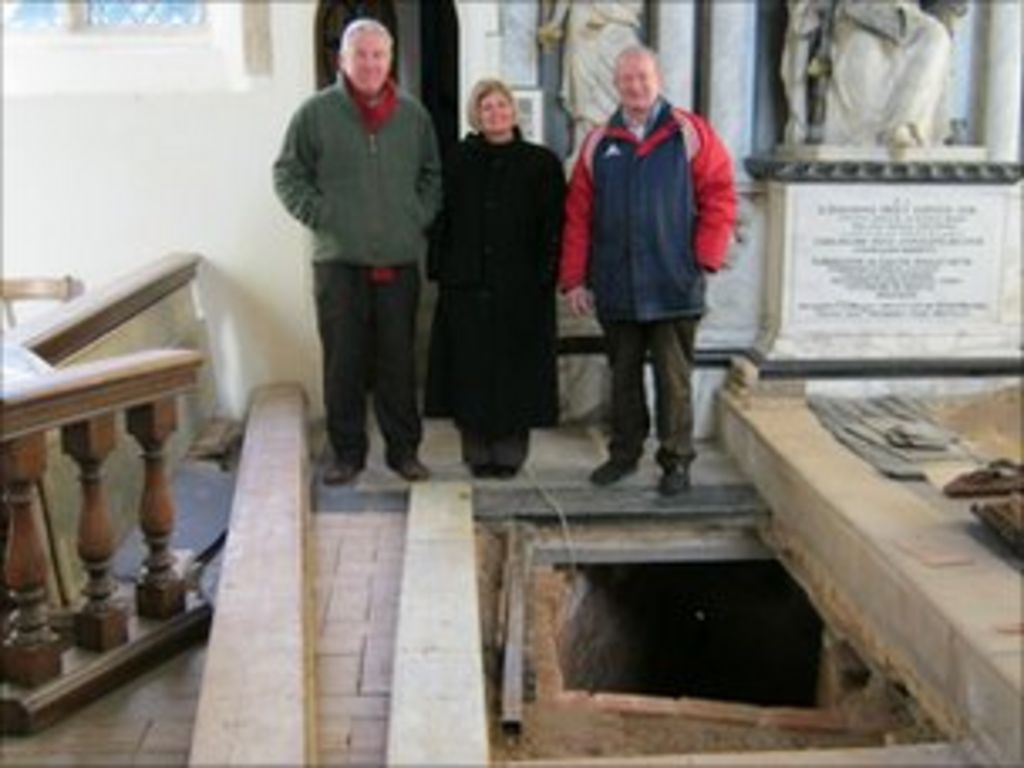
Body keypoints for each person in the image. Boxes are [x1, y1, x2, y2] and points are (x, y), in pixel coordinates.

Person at [559, 46, 736, 496]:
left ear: (658, 79)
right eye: (626, 80)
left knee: (673, 380)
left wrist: (704, 258)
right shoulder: (600, 142)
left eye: (642, 77)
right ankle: (624, 454)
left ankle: (676, 461)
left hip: (672, 282)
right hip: (617, 283)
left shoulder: (689, 133)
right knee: (623, 378)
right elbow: (578, 214)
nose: (634, 86)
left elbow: (720, 193)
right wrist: (575, 277)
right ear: (616, 85)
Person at [273, 19, 442, 484]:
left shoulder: (413, 116)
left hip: (398, 260)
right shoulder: (316, 114)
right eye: (360, 55)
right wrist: (321, 214)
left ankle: (403, 451)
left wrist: (415, 216)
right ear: (342, 60)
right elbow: (287, 174)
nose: (369, 64)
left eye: (377, 55)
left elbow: (432, 175)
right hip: (338, 263)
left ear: (389, 60)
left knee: (398, 362)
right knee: (343, 362)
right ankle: (346, 453)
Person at [425, 79, 566, 479]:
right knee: (469, 368)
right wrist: (440, 268)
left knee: (514, 369)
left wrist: (546, 274)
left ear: (513, 112)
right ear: (476, 115)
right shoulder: (457, 159)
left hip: (521, 286)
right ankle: (475, 447)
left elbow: (554, 224)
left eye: (502, 106)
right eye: (486, 107)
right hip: (466, 284)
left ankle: (509, 448)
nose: (495, 113)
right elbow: (442, 219)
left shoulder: (542, 163)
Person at [781, 0, 965, 148]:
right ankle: (868, 136)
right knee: (865, 52)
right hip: (855, 17)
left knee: (937, 37)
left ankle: (906, 124)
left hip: (910, 19)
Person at [538, 0, 644, 166]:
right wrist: (555, 23)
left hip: (617, 26)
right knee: (584, 89)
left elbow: (635, 6)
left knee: (620, 85)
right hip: (584, 25)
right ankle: (586, 146)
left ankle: (621, 141)